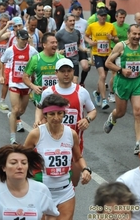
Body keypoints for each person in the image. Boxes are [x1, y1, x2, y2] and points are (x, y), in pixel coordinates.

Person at [24, 94, 91, 219]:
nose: (56, 117)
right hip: (42, 190)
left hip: (65, 191)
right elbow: (22, 158)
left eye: (60, 113)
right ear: (45, 115)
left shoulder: (71, 134)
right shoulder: (36, 134)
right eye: (52, 114)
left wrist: (85, 169)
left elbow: (78, 158)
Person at [35, 58, 96, 186]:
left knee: (73, 183)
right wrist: (38, 120)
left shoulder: (82, 92)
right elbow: (40, 108)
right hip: (51, 143)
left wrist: (87, 119)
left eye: (69, 71)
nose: (66, 74)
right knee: (51, 180)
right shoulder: (48, 92)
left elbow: (92, 111)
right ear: (56, 73)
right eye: (63, 71)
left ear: (73, 71)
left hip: (74, 143)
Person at [0, 144, 59, 220]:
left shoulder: (41, 190)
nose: (20, 167)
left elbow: (52, 214)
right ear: (4, 167)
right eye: (13, 163)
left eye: (24, 163)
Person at [103, 24, 140, 155]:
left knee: (139, 112)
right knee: (121, 112)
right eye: (134, 34)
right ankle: (113, 117)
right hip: (122, 83)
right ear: (128, 34)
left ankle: (138, 144)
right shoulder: (121, 46)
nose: (137, 37)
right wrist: (121, 70)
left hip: (137, 82)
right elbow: (108, 63)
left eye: (139, 34)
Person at [0, 29, 38, 144]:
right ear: (17, 38)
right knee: (15, 108)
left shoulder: (32, 51)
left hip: (26, 84)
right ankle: (13, 137)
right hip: (14, 83)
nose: (25, 41)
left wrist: (34, 77)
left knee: (21, 111)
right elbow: (2, 61)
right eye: (23, 39)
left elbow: (37, 62)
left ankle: (12, 115)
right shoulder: (10, 50)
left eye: (26, 39)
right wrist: (2, 76)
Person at [84, 8, 118, 110]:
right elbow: (85, 36)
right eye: (101, 15)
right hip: (97, 53)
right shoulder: (92, 26)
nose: (103, 17)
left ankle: (97, 92)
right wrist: (90, 42)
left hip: (107, 54)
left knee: (103, 78)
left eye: (105, 16)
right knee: (102, 76)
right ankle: (104, 100)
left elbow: (116, 39)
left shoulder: (111, 26)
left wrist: (111, 38)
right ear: (97, 16)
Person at [23, 32, 64, 108]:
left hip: (58, 96)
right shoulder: (36, 59)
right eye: (52, 43)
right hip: (41, 97)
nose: (55, 45)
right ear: (44, 45)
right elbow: (25, 77)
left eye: (56, 42)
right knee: (42, 119)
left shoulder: (61, 59)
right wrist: (33, 86)